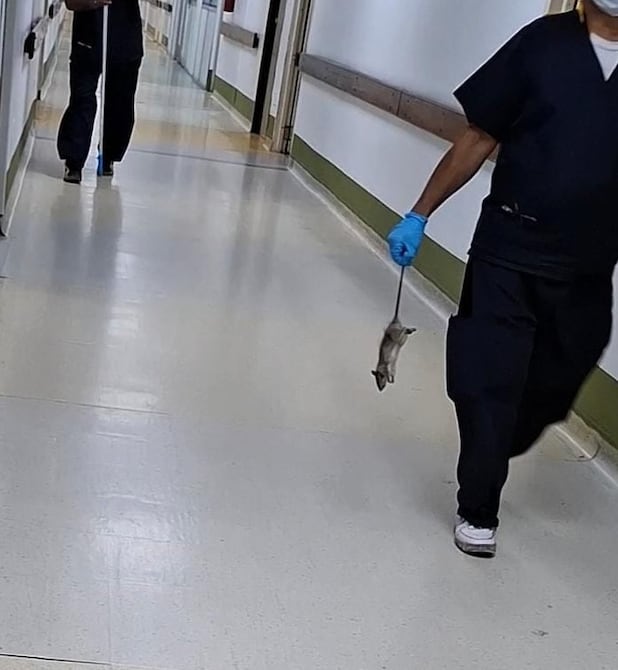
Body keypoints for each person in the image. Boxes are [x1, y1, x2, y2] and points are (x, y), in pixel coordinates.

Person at [387, 0, 618, 558]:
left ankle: (496, 438)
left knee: (553, 384)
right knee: (490, 380)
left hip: (587, 268)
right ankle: (478, 509)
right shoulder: (541, 43)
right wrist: (420, 213)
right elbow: (478, 136)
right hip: (510, 251)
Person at [58, 0, 144, 184]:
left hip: (126, 39)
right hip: (89, 37)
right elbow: (70, 3)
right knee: (82, 99)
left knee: (120, 103)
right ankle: (74, 161)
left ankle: (109, 155)